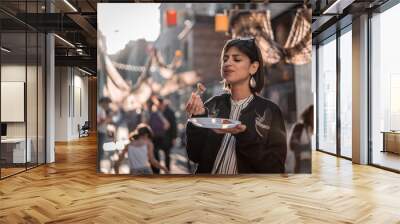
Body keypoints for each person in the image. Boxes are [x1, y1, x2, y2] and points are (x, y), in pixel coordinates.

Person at [185, 37, 287, 174]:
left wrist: (244, 136)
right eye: (225, 59)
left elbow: (275, 167)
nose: (228, 63)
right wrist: (196, 117)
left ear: (253, 67)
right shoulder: (213, 105)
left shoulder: (270, 111)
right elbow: (194, 155)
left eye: (237, 59)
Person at [289, 105, 313, 173]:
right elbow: (292, 145)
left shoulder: (318, 130)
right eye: (312, 115)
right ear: (308, 115)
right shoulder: (299, 127)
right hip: (302, 167)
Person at [158, 97, 177, 170]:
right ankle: (157, 170)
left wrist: (174, 137)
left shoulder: (170, 112)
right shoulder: (156, 111)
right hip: (157, 137)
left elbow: (174, 125)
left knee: (167, 154)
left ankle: (167, 169)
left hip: (167, 137)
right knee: (156, 154)